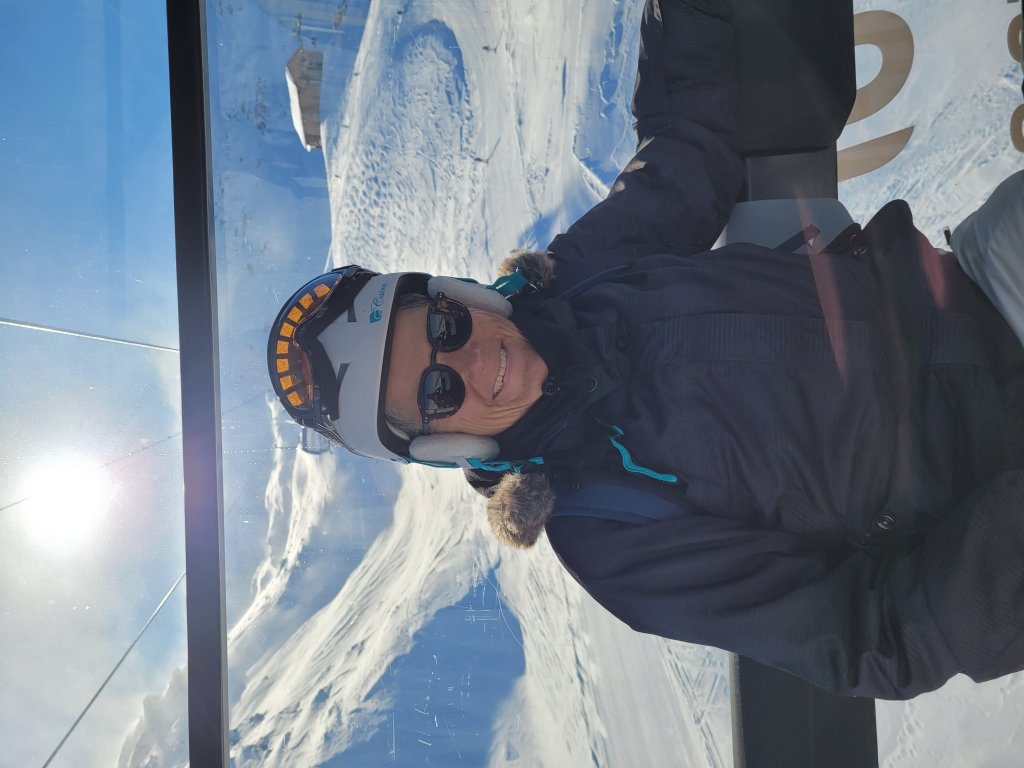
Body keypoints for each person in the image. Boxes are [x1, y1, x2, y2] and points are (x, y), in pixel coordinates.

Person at [268, 0, 1024, 700]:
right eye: (437, 393)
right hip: (994, 472)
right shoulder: (610, 532)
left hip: (980, 286)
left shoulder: (582, 278)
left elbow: (690, 145)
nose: (468, 362)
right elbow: (875, 638)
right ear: (444, 443)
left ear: (458, 297)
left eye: (441, 327)